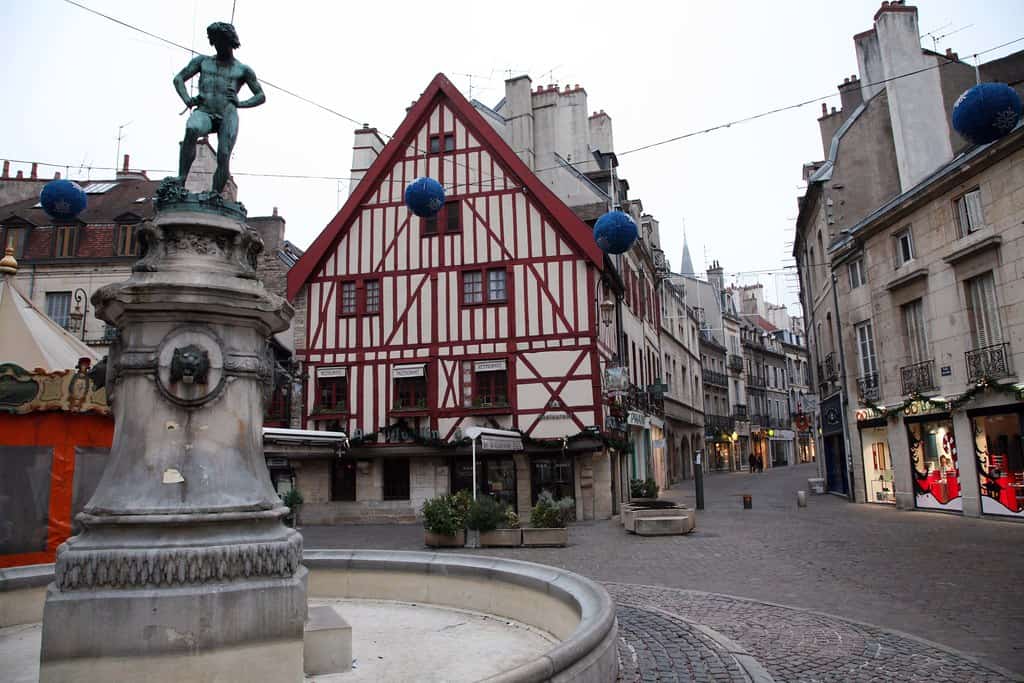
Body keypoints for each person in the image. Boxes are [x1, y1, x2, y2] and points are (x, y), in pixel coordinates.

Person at [172, 22, 265, 194]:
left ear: (230, 41)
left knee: (223, 154)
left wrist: (240, 103)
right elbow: (178, 79)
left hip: (227, 114)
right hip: (205, 111)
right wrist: (188, 100)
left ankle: (215, 194)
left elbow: (261, 96)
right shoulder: (203, 62)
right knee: (192, 128)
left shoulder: (242, 70)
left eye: (220, 41)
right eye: (214, 41)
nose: (217, 45)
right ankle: (181, 178)